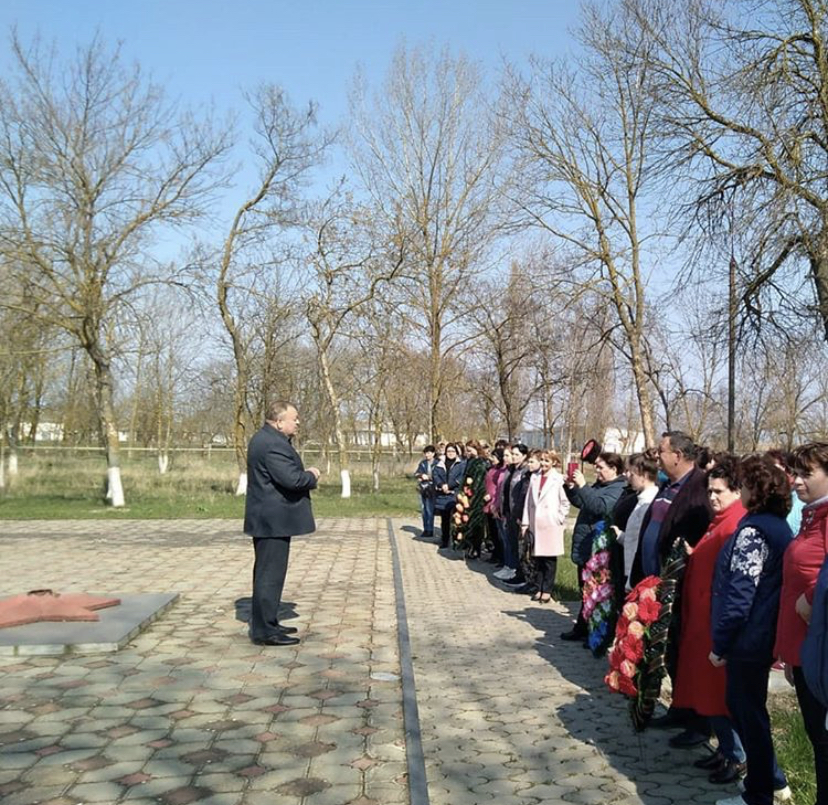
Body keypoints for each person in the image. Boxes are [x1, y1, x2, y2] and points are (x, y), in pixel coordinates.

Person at [710, 455, 793, 805]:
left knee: (747, 712)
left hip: (749, 638)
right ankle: (769, 781)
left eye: (742, 485)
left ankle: (761, 792)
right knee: (745, 708)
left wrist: (721, 643)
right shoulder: (778, 525)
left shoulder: (753, 531)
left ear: (754, 491)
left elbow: (742, 592)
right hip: (761, 635)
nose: (739, 490)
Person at [672, 455, 747, 784]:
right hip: (702, 620)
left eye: (719, 491)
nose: (712, 498)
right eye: (710, 491)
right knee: (708, 690)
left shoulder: (735, 524)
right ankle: (724, 750)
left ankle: (738, 756)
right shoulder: (720, 522)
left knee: (719, 693)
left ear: (737, 491)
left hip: (715, 624)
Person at [775, 442, 828, 805]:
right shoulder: (812, 517)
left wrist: (812, 601)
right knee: (817, 740)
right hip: (804, 652)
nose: (795, 481)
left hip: (821, 651)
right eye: (794, 473)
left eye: (806, 474)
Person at [243, 400, 320, 647]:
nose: (297, 422)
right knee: (269, 576)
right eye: (294, 418)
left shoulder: (267, 440)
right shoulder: (271, 445)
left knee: (270, 574)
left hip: (271, 520)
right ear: (278, 422)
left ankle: (268, 622)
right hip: (272, 521)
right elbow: (292, 480)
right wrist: (312, 475)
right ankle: (264, 632)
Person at [561, 451, 626, 640]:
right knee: (585, 590)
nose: (596, 470)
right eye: (595, 466)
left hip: (598, 550)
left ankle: (594, 632)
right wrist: (572, 488)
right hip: (586, 544)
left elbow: (599, 507)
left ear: (613, 469)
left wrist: (583, 485)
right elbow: (583, 503)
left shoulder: (618, 488)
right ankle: (582, 628)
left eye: (600, 467)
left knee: (595, 591)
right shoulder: (600, 485)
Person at [522, 449, 569, 603]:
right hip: (536, 523)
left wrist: (559, 517)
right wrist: (525, 522)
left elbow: (565, 501)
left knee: (549, 560)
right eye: (541, 460)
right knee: (538, 558)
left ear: (554, 462)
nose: (543, 463)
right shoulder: (535, 477)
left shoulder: (558, 479)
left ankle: (547, 590)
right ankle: (539, 587)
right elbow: (528, 502)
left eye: (547, 461)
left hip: (550, 524)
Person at [612, 450, 659, 589]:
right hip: (631, 570)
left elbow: (643, 540)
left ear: (643, 475)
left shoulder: (649, 503)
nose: (627, 477)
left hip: (639, 573)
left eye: (631, 473)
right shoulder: (639, 499)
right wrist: (620, 536)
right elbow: (634, 536)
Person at [433, 443, 466, 549]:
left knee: (456, 519)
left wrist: (450, 485)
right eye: (449, 451)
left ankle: (456, 540)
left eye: (453, 451)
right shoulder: (440, 463)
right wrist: (442, 485)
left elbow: (461, 477)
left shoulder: (461, 464)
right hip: (442, 495)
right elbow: (435, 475)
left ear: (456, 453)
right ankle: (445, 539)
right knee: (445, 520)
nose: (450, 454)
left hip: (454, 494)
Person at [414, 445, 438, 540]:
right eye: (426, 453)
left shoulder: (437, 463)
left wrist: (429, 477)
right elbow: (416, 473)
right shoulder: (423, 463)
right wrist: (420, 475)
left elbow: (439, 476)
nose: (427, 455)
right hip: (423, 488)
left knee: (429, 509)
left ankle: (430, 529)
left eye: (429, 453)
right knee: (423, 509)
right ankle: (425, 529)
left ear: (433, 453)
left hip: (432, 489)